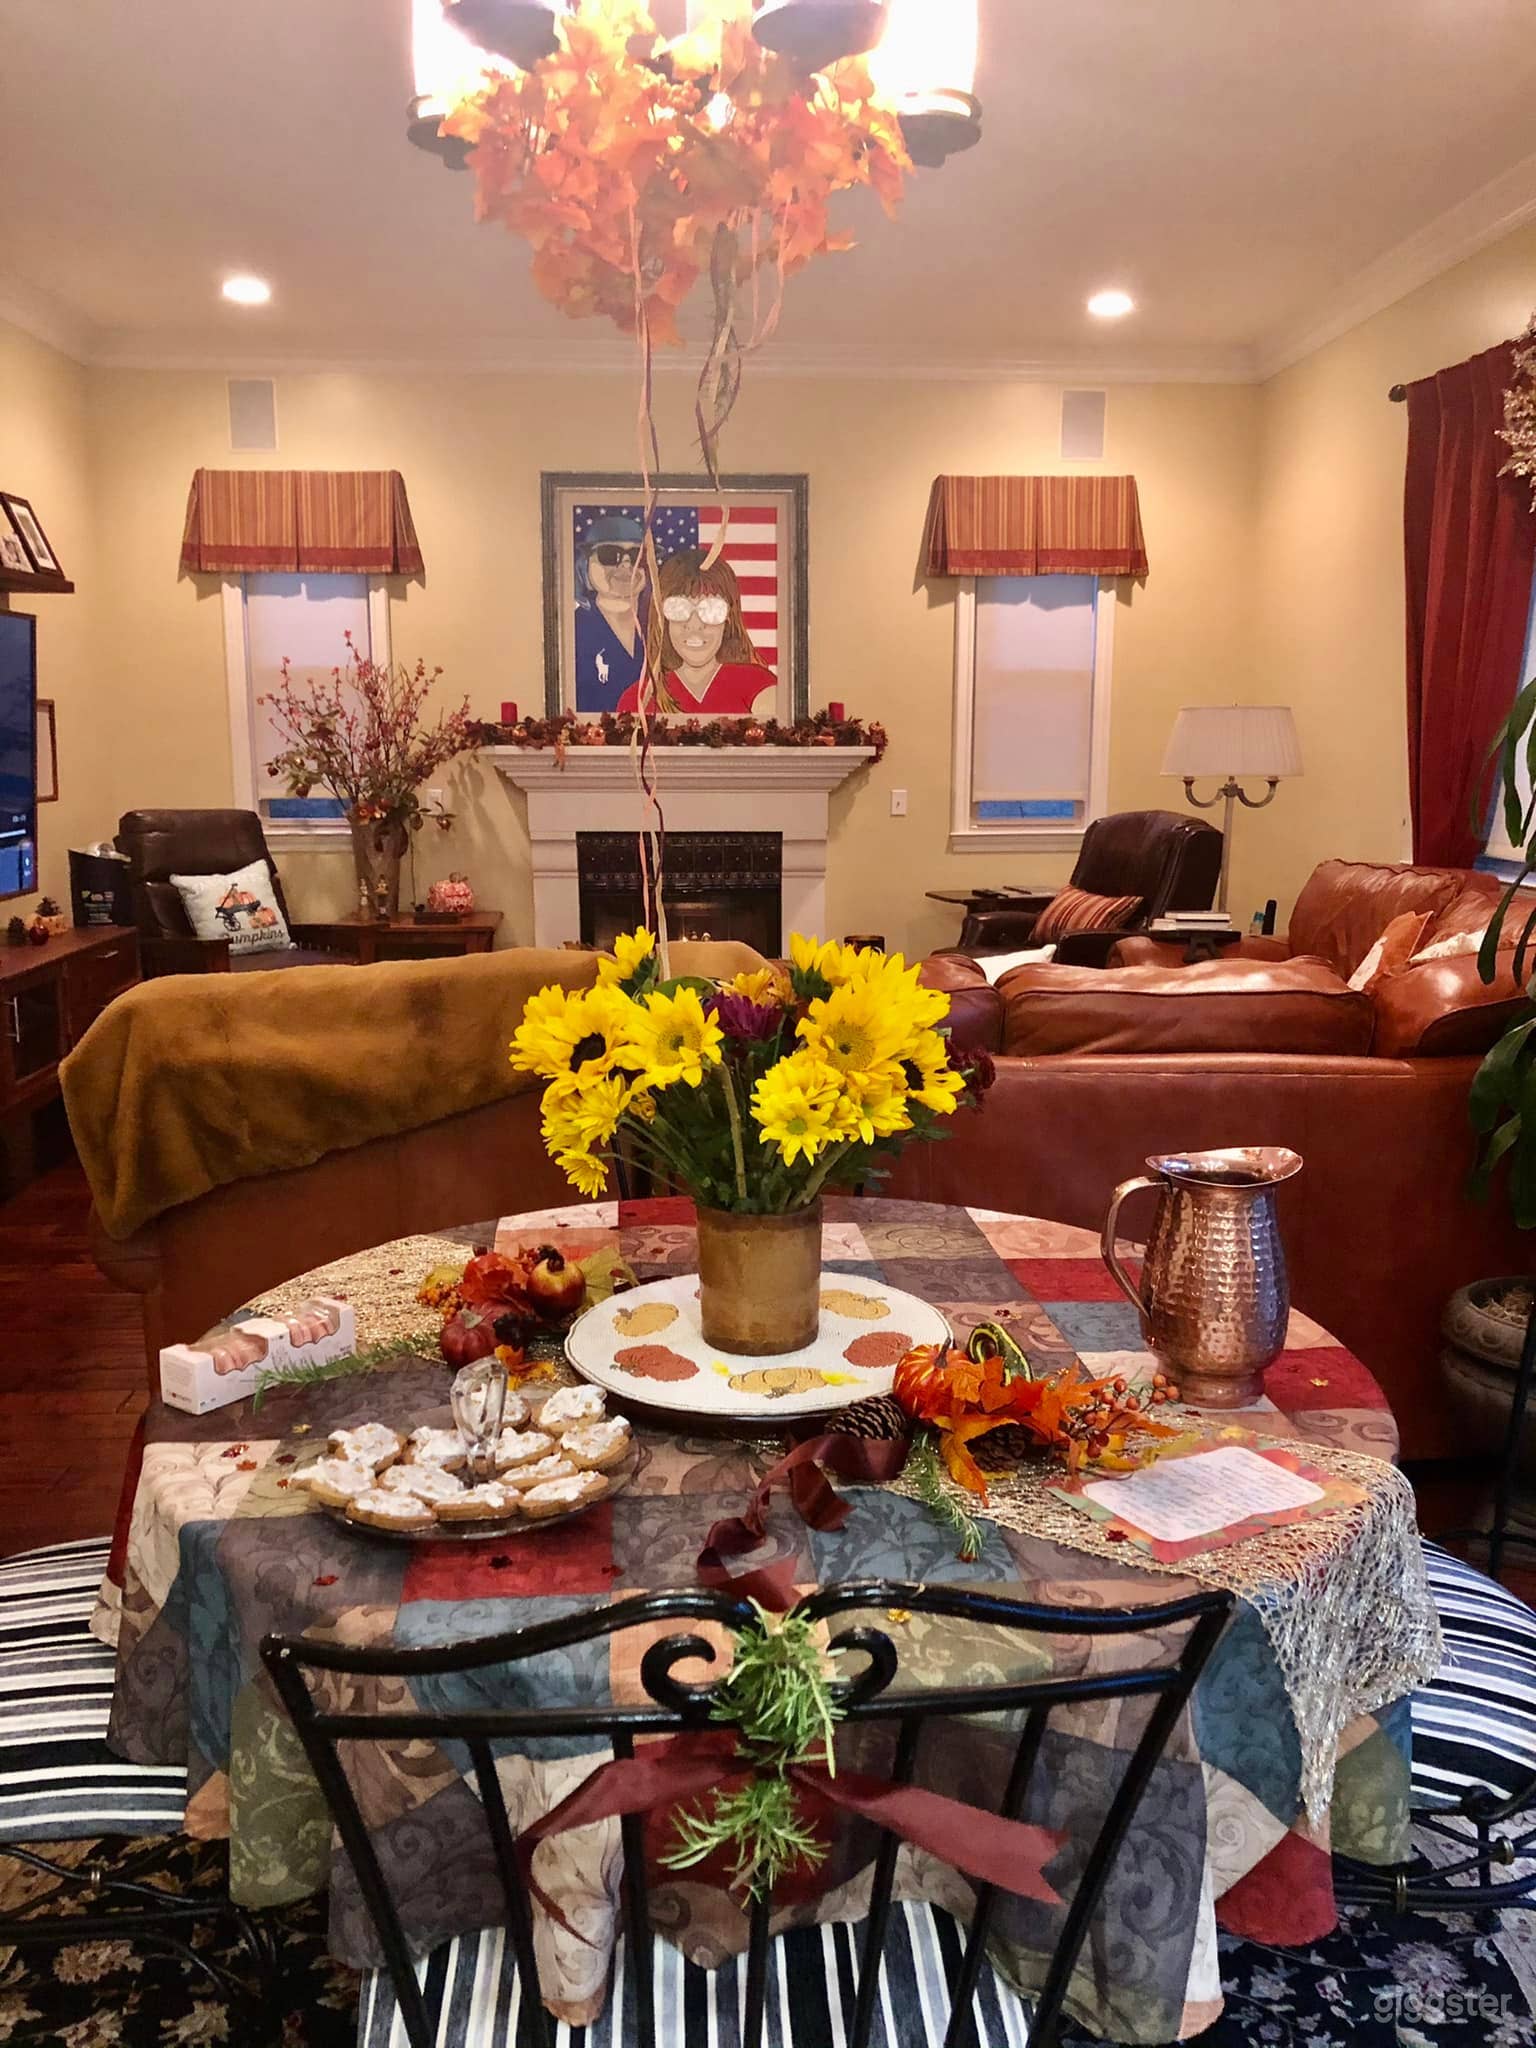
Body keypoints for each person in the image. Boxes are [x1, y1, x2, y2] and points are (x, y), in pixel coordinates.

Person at [617, 549, 777, 718]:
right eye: (678, 608)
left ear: (729, 616)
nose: (694, 625)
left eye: (710, 609)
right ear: (662, 617)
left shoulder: (759, 685)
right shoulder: (638, 698)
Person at [573, 514, 646, 713]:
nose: (626, 565)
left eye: (638, 556)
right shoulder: (574, 630)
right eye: (609, 555)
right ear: (586, 564)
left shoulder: (667, 629)